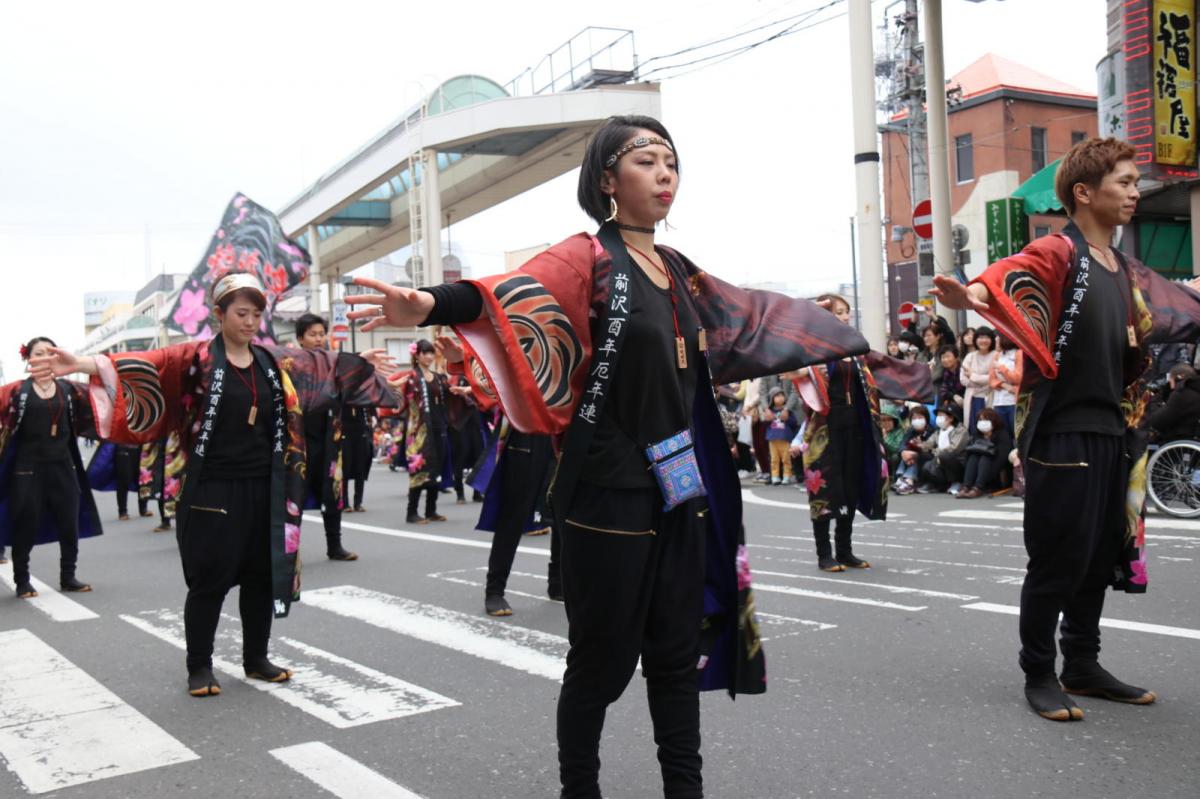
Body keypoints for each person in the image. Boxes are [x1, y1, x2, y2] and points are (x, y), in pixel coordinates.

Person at [345, 114, 871, 799]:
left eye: (672, 163)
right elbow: (509, 295)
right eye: (647, 162)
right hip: (606, 490)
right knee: (601, 663)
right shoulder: (587, 259)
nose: (665, 175)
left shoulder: (680, 272)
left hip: (680, 487)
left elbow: (754, 317)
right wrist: (428, 303)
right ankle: (580, 790)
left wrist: (842, 333)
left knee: (675, 657)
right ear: (607, 180)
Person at [931, 136, 1200, 722]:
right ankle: (1039, 672)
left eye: (1135, 183)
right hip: (1062, 429)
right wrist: (970, 294)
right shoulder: (1059, 250)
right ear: (1084, 192)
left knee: (1100, 555)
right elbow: (1011, 275)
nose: (1134, 192)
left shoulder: (1124, 268)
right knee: (1057, 560)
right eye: (1124, 183)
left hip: (1114, 428)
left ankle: (1082, 663)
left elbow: (1175, 302)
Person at [33, 274, 393, 698]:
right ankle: (199, 666)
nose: (250, 322)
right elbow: (146, 363)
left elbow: (318, 366)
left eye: (256, 314)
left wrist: (359, 363)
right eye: (241, 313)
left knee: (262, 575)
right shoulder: (195, 358)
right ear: (218, 313)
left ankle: (256, 658)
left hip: (267, 485)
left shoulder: (272, 360)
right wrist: (81, 364)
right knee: (211, 579)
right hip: (213, 486)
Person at [793, 294, 933, 572]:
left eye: (846, 311)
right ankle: (824, 554)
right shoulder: (813, 348)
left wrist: (920, 372)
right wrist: (802, 370)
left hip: (856, 428)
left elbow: (887, 367)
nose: (845, 316)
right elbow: (792, 370)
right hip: (825, 431)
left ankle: (845, 550)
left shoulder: (856, 348)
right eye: (838, 312)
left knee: (850, 487)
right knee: (824, 490)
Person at [0, 337, 101, 598]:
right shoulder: (15, 391)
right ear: (28, 358)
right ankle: (22, 580)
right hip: (27, 468)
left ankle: (68, 576)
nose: (44, 357)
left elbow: (101, 396)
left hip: (63, 464)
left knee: (69, 521)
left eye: (49, 352)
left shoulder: (69, 389)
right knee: (25, 522)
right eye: (38, 353)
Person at [294, 312, 396, 559]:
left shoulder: (333, 364)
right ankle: (290, 551)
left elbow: (353, 375)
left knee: (332, 491)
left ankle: (335, 546)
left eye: (322, 334)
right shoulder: (293, 364)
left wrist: (374, 374)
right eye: (312, 334)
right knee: (294, 496)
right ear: (300, 338)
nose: (318, 339)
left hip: (329, 438)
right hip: (299, 442)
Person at [395, 339, 451, 525]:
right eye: (425, 353)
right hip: (419, 431)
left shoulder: (438, 377)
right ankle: (411, 513)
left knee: (436, 469)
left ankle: (431, 510)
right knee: (419, 469)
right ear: (417, 355)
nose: (429, 356)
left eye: (431, 353)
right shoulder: (411, 377)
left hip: (438, 428)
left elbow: (448, 397)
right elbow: (402, 401)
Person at [957, 407, 1013, 498]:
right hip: (976, 468)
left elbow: (1002, 458)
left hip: (994, 469)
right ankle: (966, 486)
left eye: (985, 420)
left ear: (993, 421)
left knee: (985, 457)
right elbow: (968, 452)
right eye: (980, 420)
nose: (982, 422)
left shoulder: (1002, 435)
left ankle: (978, 488)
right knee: (974, 456)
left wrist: (988, 470)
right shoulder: (976, 435)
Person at [915, 403, 967, 494]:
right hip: (939, 461)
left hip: (957, 462)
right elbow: (929, 443)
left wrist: (934, 451)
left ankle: (956, 482)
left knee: (945, 456)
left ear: (951, 418)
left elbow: (954, 449)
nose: (938, 418)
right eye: (938, 416)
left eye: (941, 416)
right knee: (923, 458)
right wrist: (919, 445)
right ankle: (934, 484)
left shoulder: (960, 430)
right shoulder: (939, 431)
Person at [1147, 363, 1200, 442]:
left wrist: (1154, 400)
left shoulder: (1182, 394)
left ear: (1178, 378)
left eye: (1170, 380)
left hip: (1178, 439)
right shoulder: (1194, 389)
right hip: (1191, 435)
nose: (1170, 385)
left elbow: (1157, 421)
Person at [960, 326, 997, 432]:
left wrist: (973, 376)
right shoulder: (970, 356)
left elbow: (994, 378)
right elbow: (963, 379)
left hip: (990, 396)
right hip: (973, 398)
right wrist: (983, 381)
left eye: (987, 337)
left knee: (989, 428)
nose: (983, 340)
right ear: (975, 340)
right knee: (973, 429)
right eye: (980, 337)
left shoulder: (996, 355)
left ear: (992, 340)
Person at [893, 405, 934, 494]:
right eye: (914, 418)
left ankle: (909, 480)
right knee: (905, 453)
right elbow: (902, 445)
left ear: (926, 419)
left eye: (920, 417)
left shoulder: (931, 432)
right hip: (910, 458)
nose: (917, 420)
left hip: (926, 458)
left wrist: (915, 451)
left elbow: (931, 450)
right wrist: (904, 452)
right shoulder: (910, 431)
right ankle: (900, 478)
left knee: (913, 455)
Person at [989, 334, 1022, 437]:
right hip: (999, 401)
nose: (995, 340)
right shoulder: (997, 355)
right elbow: (991, 380)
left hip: (1014, 401)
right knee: (1002, 434)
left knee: (1016, 434)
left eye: (998, 338)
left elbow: (1017, 378)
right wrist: (1005, 385)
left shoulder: (1018, 353)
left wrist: (1001, 368)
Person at [764, 388, 798, 485]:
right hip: (772, 439)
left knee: (786, 459)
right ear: (772, 399)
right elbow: (765, 424)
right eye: (777, 396)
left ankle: (787, 476)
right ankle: (775, 476)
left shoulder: (787, 411)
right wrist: (767, 420)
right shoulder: (769, 411)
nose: (780, 398)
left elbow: (794, 423)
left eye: (782, 395)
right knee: (774, 459)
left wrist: (787, 419)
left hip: (785, 439)